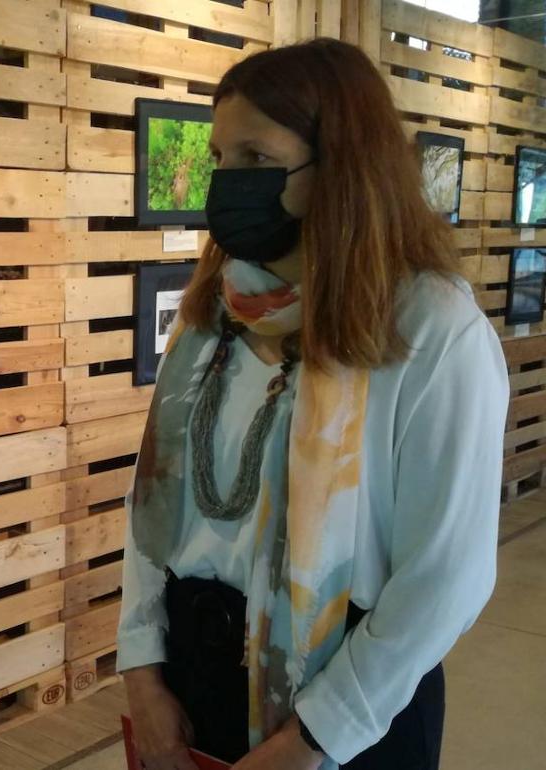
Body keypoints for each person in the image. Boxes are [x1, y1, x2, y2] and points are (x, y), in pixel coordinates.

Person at [117, 39, 508, 770]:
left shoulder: (430, 330)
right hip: (192, 676)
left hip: (350, 701)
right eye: (221, 159)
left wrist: (313, 739)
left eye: (258, 160)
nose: (229, 181)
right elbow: (153, 508)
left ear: (341, 165)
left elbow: (446, 577)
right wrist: (143, 673)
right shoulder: (213, 315)